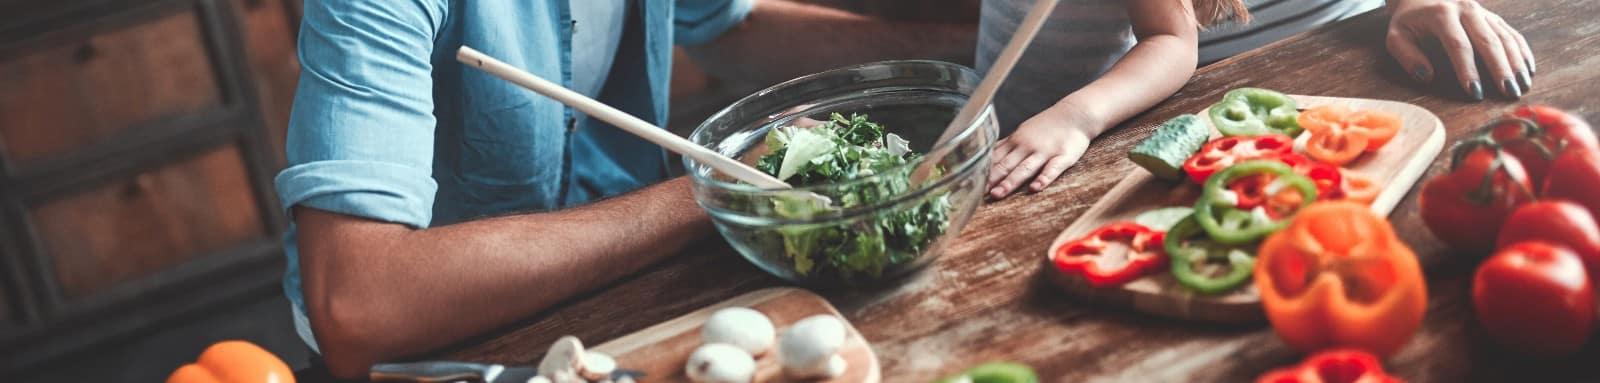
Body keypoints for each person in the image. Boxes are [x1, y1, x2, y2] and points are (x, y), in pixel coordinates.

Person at [278, 0, 973, 377]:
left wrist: (971, 42)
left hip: (623, 298)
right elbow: (361, 307)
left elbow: (728, 26)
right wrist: (718, 190)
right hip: (443, 351)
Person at [981, 0, 1534, 199]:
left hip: (1344, 65)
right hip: (1022, 133)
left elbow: (1171, 40)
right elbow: (1172, 38)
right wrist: (1072, 117)